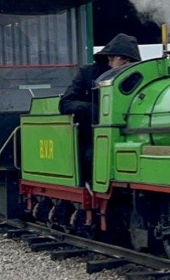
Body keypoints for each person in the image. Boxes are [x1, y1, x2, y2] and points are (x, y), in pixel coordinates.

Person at [60, 33, 141, 175]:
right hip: (91, 135)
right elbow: (66, 103)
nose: (127, 64)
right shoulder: (88, 73)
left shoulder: (138, 78)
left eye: (131, 61)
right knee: (91, 156)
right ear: (110, 57)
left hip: (129, 134)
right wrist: (95, 111)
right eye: (122, 59)